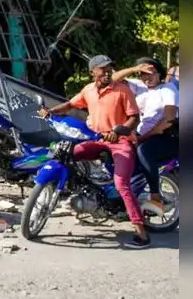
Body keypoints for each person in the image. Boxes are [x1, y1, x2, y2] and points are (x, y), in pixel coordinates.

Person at [39, 55, 149, 248]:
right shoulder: (88, 90)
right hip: (97, 139)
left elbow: (134, 118)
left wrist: (118, 130)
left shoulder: (122, 90)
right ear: (93, 72)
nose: (107, 72)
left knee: (121, 183)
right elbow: (71, 105)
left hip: (120, 141)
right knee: (68, 154)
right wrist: (50, 112)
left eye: (109, 69)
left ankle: (141, 233)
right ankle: (79, 193)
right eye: (103, 69)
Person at [112, 57, 179, 216]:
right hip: (143, 135)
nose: (147, 76)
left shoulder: (168, 89)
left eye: (151, 72)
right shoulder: (139, 86)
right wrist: (134, 69)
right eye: (143, 73)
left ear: (159, 74)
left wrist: (141, 138)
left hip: (169, 136)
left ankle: (156, 198)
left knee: (144, 151)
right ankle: (120, 199)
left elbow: (168, 121)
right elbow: (113, 80)